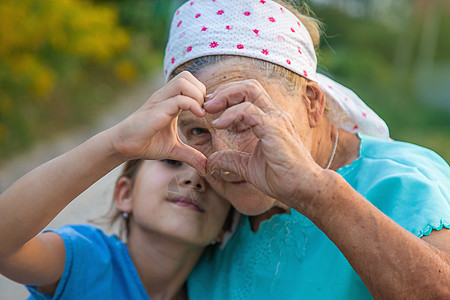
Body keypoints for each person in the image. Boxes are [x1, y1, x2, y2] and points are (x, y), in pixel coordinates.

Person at [162, 0, 450, 298]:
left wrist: (316, 193)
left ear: (312, 101)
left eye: (243, 120)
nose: (223, 157)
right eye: (198, 131)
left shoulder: (400, 183)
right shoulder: (211, 213)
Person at [0, 72, 232, 300]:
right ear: (125, 193)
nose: (193, 179)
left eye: (212, 173)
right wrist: (116, 145)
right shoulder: (87, 261)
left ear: (227, 225)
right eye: (171, 162)